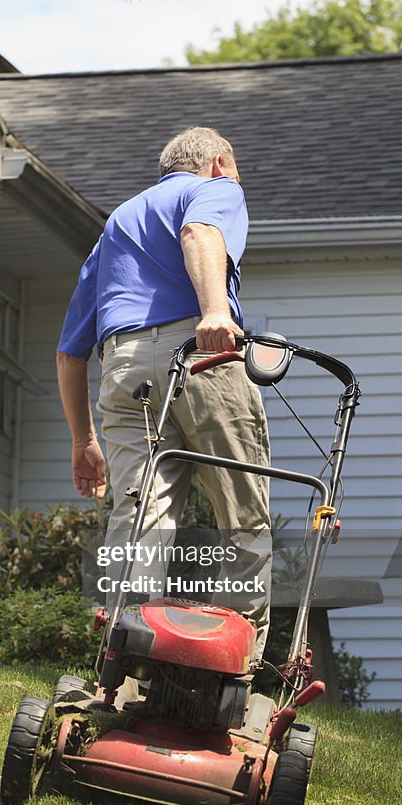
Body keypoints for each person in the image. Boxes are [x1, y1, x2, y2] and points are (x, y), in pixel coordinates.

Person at [56, 126, 272, 656]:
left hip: (123, 369)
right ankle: (235, 661)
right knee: (244, 512)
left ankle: (125, 657)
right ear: (219, 163)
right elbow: (201, 232)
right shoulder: (214, 188)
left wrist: (84, 441)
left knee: (138, 514)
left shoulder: (118, 223)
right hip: (199, 354)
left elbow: (68, 352)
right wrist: (216, 311)